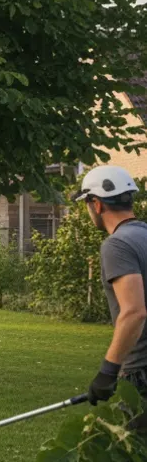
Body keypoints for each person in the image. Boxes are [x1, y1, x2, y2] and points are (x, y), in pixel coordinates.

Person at [74, 165, 147, 425]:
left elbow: (134, 312)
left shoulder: (117, 245)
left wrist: (108, 371)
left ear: (97, 204)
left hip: (141, 373)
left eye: (86, 204)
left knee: (136, 457)